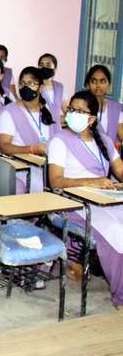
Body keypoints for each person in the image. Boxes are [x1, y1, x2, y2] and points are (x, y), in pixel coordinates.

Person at [47, 91, 123, 309]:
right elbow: (56, 181)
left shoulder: (105, 141)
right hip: (75, 204)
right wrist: (92, 182)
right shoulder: (60, 140)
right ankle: (121, 296)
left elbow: (119, 170)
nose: (73, 114)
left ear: (92, 119)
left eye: (80, 111)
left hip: (105, 200)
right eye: (71, 110)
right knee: (117, 230)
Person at [0, 66, 56, 192]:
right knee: (44, 187)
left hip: (48, 166)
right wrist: (32, 149)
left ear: (40, 87)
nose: (26, 87)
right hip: (21, 168)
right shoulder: (10, 111)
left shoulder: (49, 110)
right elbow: (4, 146)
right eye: (23, 84)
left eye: (31, 84)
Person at [84, 65, 123, 148]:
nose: (98, 85)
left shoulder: (115, 109)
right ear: (88, 84)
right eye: (94, 81)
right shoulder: (80, 106)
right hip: (84, 155)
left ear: (109, 85)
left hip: (109, 158)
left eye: (103, 81)